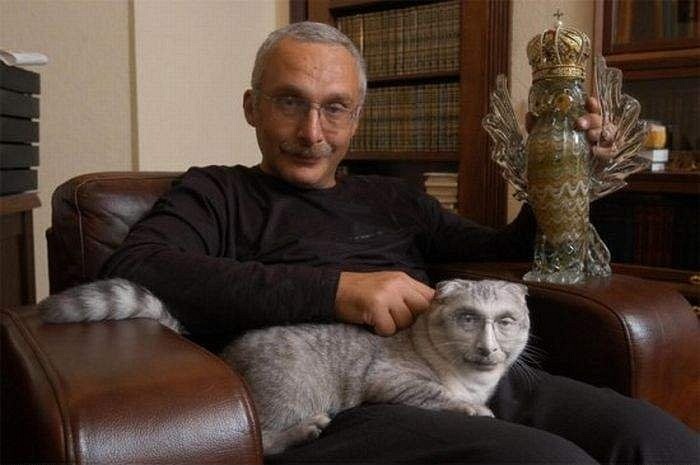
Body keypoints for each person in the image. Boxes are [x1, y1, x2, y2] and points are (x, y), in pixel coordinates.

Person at [100, 22, 697, 464]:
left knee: (659, 442)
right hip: (346, 398)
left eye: (335, 109)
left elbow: (502, 252)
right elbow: (139, 266)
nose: (312, 132)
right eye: (290, 102)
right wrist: (337, 292)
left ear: (357, 118)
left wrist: (563, 179)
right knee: (548, 462)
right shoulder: (217, 192)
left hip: (464, 365)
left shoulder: (392, 198)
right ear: (252, 107)